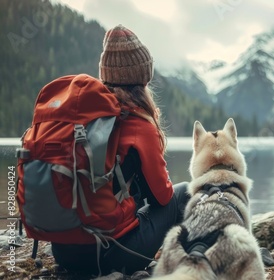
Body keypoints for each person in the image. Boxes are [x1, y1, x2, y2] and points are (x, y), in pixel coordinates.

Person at [50, 24, 190, 275]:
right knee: (184, 193)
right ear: (143, 78)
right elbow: (162, 199)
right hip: (110, 256)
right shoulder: (138, 124)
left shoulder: (83, 118)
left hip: (63, 252)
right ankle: (189, 260)